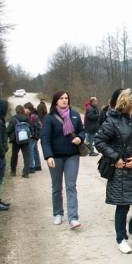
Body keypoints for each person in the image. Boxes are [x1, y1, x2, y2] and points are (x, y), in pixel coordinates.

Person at [94, 89, 132, 254]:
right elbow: (99, 141)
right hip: (121, 170)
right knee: (123, 205)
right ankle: (121, 238)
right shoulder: (112, 120)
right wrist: (116, 158)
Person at [41, 91, 85, 229]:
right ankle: (58, 213)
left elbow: (82, 131)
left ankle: (73, 217)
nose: (65, 100)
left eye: (66, 98)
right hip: (55, 157)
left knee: (71, 186)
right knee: (56, 186)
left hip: (72, 156)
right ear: (56, 101)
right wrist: (48, 156)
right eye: (61, 98)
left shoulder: (75, 114)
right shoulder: (50, 118)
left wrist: (80, 137)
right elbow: (45, 139)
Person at [7, 105, 33, 178]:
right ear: (23, 110)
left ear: (16, 110)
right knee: (26, 156)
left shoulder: (13, 119)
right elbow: (31, 128)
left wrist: (10, 137)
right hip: (25, 140)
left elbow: (9, 130)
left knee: (14, 155)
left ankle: (13, 171)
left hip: (16, 140)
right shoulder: (27, 118)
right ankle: (26, 173)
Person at [24, 102, 42, 171]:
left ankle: (31, 166)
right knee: (35, 150)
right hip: (36, 136)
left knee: (30, 150)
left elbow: (33, 127)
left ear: (28, 109)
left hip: (33, 136)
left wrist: (33, 135)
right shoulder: (35, 115)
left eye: (25, 108)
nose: (24, 110)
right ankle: (38, 165)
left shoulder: (32, 116)